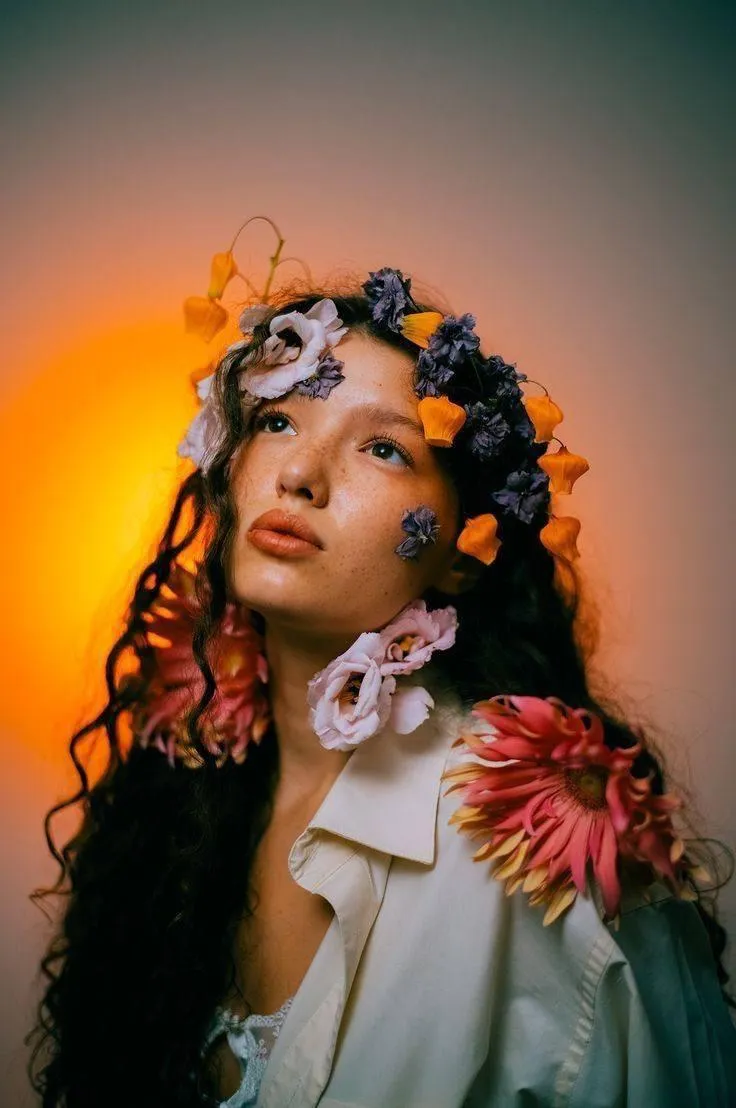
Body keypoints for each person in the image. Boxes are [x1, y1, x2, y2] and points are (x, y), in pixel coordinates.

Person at [26, 218, 736, 1107]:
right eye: (278, 419)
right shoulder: (191, 782)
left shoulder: (539, 850)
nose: (300, 474)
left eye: (385, 447)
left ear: (461, 548)